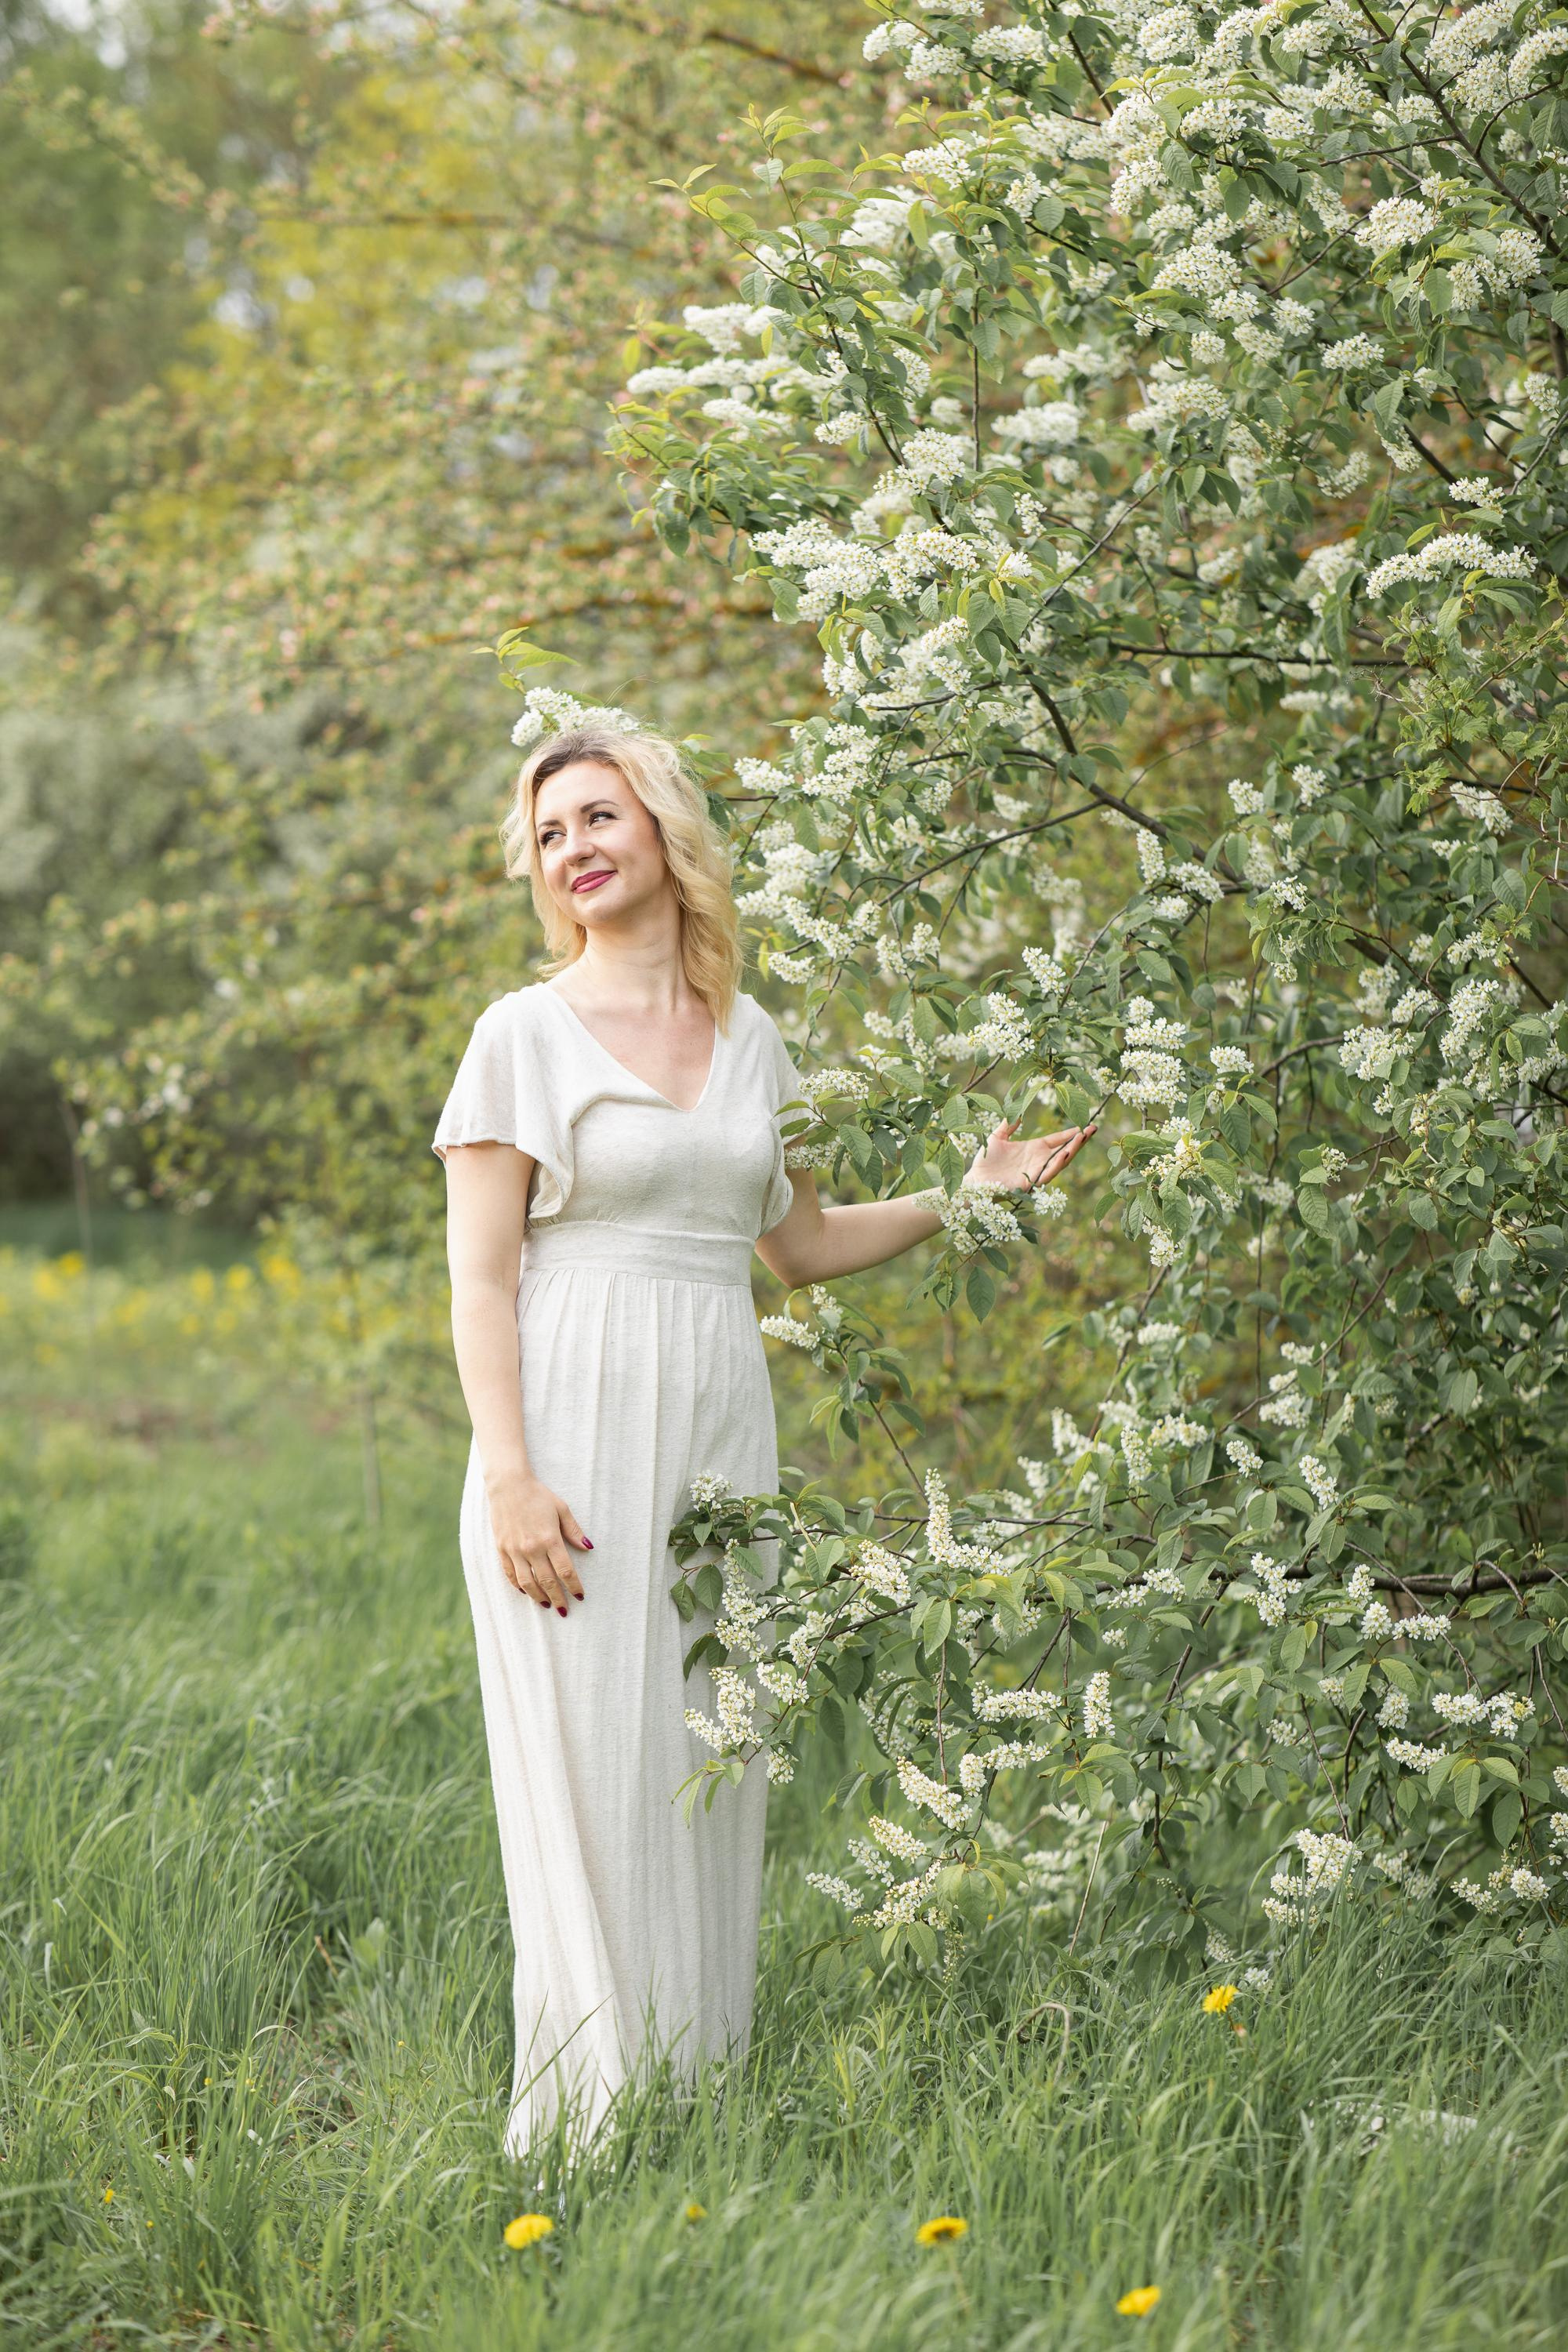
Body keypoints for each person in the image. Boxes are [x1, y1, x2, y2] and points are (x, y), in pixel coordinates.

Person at [431, 723, 1094, 2157]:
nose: (574, 849)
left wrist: (964, 1197)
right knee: (591, 1781)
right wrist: (509, 1476)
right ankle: (581, 2137)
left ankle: (693, 2109)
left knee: (700, 1768)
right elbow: (481, 1276)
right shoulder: (521, 1034)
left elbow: (792, 1245)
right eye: (549, 835)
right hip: (567, 1442)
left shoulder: (753, 1038)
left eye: (599, 816)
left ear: (665, 829)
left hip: (722, 1455)